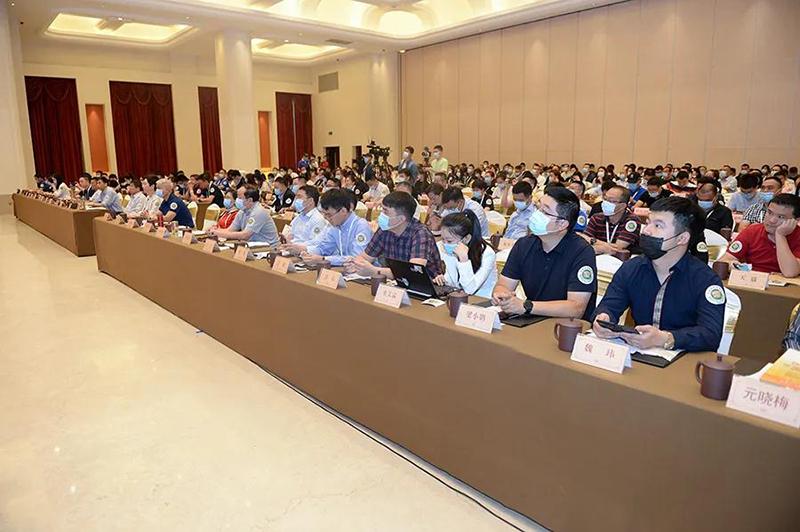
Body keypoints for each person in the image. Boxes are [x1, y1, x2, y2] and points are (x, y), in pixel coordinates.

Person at [592, 196, 724, 352]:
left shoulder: (705, 279)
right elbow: (609, 305)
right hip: (638, 352)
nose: (646, 230)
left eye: (658, 226)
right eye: (648, 223)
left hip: (684, 357)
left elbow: (711, 335)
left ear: (682, 238)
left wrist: (666, 338)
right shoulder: (631, 268)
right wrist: (604, 318)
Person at [492, 186, 597, 320]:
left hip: (567, 326)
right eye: (538, 208)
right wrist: (501, 295)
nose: (537, 214)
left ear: (562, 224)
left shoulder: (582, 252)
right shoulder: (524, 245)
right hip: (531, 320)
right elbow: (503, 285)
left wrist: (526, 306)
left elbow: (576, 308)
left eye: (545, 211)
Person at [345, 191, 442, 278]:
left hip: (428, 285)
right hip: (397, 283)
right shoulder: (385, 229)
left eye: (385, 211)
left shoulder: (420, 233)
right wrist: (356, 264)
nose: (381, 215)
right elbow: (365, 257)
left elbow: (413, 272)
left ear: (401, 219)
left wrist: (375, 271)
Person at [721, 193, 800, 277]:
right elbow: (724, 260)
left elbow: (790, 272)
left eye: (781, 217)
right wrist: (733, 265)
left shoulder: (798, 236)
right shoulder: (752, 231)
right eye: (769, 212)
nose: (772, 220)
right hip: (752, 280)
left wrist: (780, 235)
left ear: (796, 221)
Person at [302, 188, 373, 266]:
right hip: (344, 269)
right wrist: (308, 254)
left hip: (364, 271)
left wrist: (324, 259)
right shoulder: (335, 226)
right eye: (324, 214)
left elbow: (356, 258)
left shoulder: (361, 226)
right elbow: (324, 248)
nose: (326, 218)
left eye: (329, 215)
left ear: (343, 211)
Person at [434, 210, 497, 298]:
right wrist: (443, 279)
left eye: (449, 241)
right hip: (456, 296)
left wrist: (464, 260)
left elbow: (469, 289)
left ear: (466, 238)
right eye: (443, 239)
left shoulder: (487, 254)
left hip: (481, 299)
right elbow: (454, 282)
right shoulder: (444, 247)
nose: (444, 244)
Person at [581, 185, 640, 254]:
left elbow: (618, 248)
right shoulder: (596, 218)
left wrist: (593, 242)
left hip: (620, 259)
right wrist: (601, 247)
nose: (605, 203)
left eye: (611, 201)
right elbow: (583, 241)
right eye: (605, 199)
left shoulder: (632, 220)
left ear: (622, 206)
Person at [208, 186, 278, 244]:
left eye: (240, 198)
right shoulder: (242, 211)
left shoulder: (258, 212)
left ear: (250, 200)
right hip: (253, 245)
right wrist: (215, 230)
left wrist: (217, 233)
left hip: (269, 248)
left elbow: (245, 235)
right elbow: (230, 230)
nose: (237, 200)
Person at [281, 185, 329, 252]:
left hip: (304, 252)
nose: (296, 200)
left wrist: (294, 246)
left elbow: (315, 243)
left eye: (299, 197)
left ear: (310, 201)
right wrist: (285, 239)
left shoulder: (318, 219)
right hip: (291, 249)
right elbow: (290, 233)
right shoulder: (299, 216)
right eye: (296, 196)